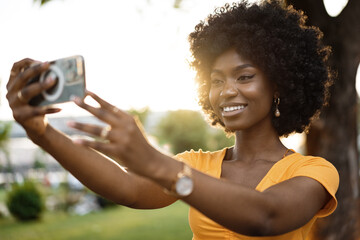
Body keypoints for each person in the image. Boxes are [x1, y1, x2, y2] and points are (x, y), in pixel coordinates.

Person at [6, 0, 339, 239]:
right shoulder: (197, 164)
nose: (226, 92)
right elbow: (127, 189)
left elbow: (266, 218)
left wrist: (157, 163)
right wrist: (42, 132)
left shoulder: (314, 172)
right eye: (217, 80)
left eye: (244, 76)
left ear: (280, 82)